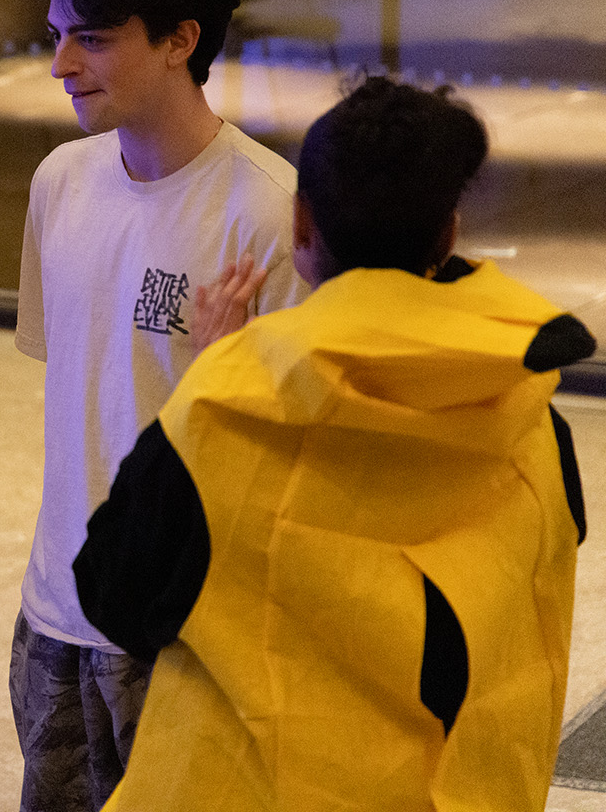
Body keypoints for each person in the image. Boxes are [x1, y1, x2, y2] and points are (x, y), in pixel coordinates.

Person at [74, 77, 595, 811]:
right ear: (448, 233)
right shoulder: (535, 422)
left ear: (301, 226)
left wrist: (213, 371)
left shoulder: (227, 411)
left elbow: (116, 597)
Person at [8, 0, 306, 812]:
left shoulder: (269, 214)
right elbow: (82, 391)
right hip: (55, 612)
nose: (60, 65)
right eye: (57, 34)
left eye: (92, 39)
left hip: (187, 629)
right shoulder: (59, 182)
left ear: (181, 39)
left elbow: (294, 460)